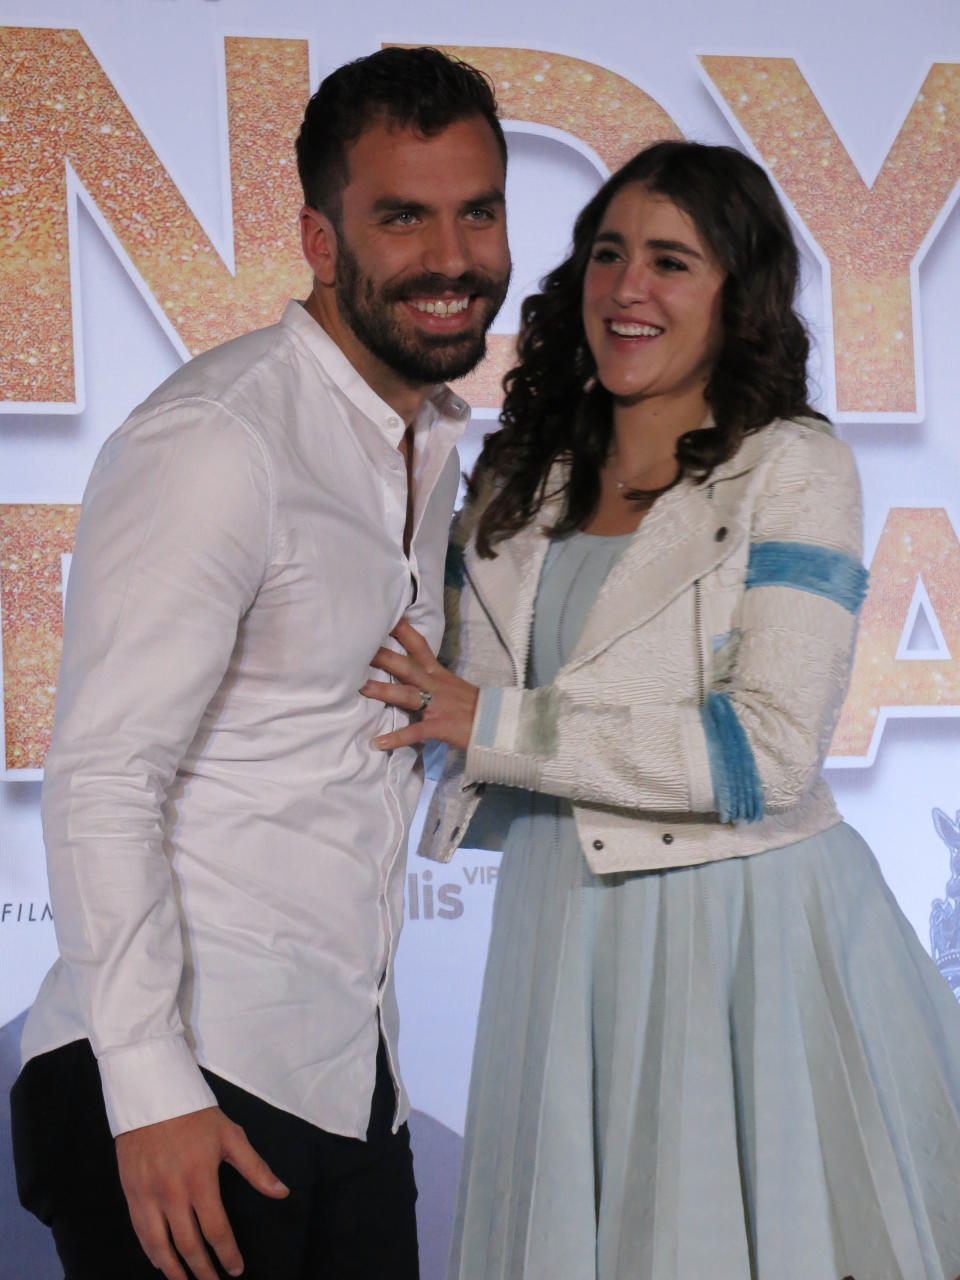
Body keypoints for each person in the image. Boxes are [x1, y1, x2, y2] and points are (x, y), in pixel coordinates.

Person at [361, 141, 960, 1279]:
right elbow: (419, 677)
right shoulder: (508, 482)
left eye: (673, 261)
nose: (629, 288)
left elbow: (763, 754)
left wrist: (495, 723)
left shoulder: (793, 468)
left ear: (739, 296)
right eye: (608, 253)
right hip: (560, 920)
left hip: (743, 929)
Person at [10, 46, 510, 1280]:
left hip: (348, 1083)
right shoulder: (218, 440)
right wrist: (153, 1090)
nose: (452, 257)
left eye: (479, 210)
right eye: (404, 215)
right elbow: (104, 778)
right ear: (320, 238)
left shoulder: (432, 444)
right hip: (188, 1081)